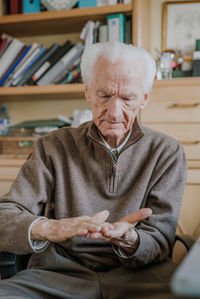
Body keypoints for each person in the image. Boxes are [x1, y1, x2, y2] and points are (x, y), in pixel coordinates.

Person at [0, 41, 187, 298]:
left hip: (139, 276)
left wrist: (128, 238)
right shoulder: (52, 146)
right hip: (57, 274)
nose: (114, 111)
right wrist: (48, 228)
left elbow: (160, 241)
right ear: (87, 92)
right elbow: (4, 217)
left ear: (144, 98)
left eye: (127, 98)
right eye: (104, 95)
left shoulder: (167, 152)